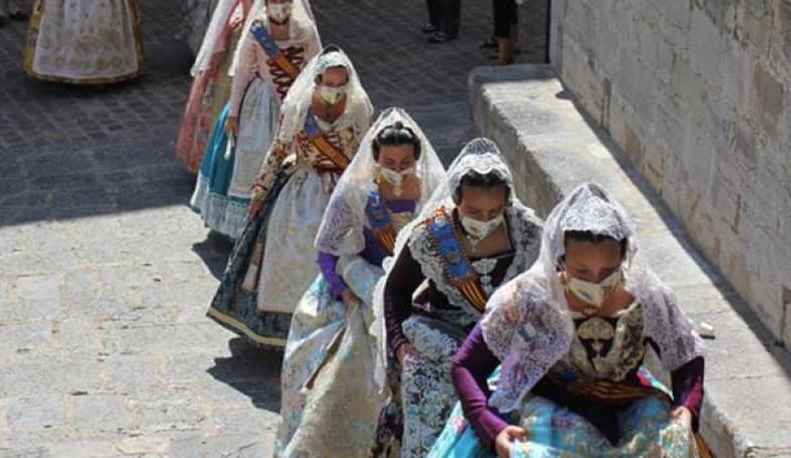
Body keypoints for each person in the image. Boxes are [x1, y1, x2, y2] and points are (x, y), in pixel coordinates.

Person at [427, 182, 709, 458]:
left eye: (608, 272)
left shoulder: (646, 295)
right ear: (561, 260)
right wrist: (492, 428)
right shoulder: (529, 297)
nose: (596, 283)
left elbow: (686, 355)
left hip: (624, 405)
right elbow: (465, 365)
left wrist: (687, 407)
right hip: (547, 403)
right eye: (582, 272)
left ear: (624, 257)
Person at [274, 108, 448, 458]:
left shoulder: (431, 193)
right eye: (389, 160)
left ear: (416, 158)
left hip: (411, 288)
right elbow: (326, 252)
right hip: (357, 284)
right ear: (375, 159)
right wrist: (345, 293)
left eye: (404, 161)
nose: (397, 168)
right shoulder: (356, 192)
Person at [371, 138, 544, 458]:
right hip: (440, 348)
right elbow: (396, 291)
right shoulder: (431, 236)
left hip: (506, 345)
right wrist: (398, 345)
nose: (484, 219)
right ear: (455, 201)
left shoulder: (529, 234)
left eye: (494, 211)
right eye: (474, 211)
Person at [208, 47, 373, 348]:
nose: (334, 90)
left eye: (340, 85)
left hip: (341, 191)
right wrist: (259, 191)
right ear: (318, 80)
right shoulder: (299, 108)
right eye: (329, 83)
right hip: (301, 186)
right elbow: (279, 149)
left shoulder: (358, 109)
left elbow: (365, 156)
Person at [191, 0, 321, 244]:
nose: (280, 4)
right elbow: (241, 73)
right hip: (261, 104)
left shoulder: (305, 31)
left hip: (295, 106)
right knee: (254, 157)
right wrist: (235, 112)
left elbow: (316, 69)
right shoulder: (257, 31)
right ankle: (249, 223)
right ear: (265, 1)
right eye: (274, 0)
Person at [177, 0, 308, 174]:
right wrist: (221, 45)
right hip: (246, 47)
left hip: (284, 49)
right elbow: (229, 12)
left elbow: (304, 18)